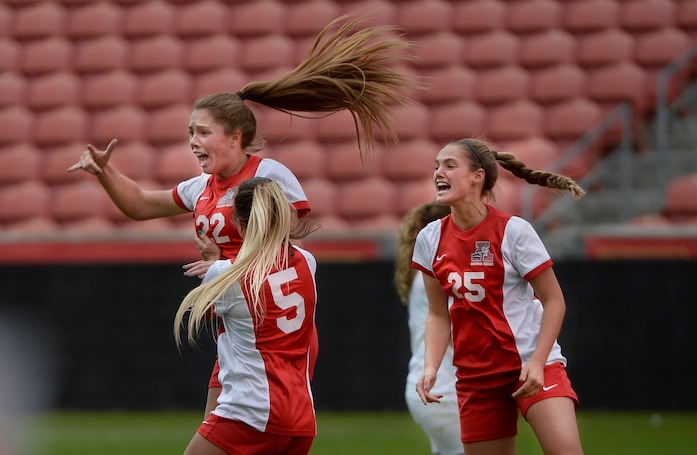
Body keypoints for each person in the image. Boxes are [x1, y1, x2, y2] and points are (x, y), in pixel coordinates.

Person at [67, 13, 417, 417]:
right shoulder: (201, 185)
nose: (193, 142)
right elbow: (141, 205)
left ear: (236, 137)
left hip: (269, 324)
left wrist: (225, 264)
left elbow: (287, 243)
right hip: (234, 324)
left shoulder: (268, 176)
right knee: (238, 431)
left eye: (202, 132)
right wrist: (105, 172)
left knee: (237, 427)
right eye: (189, 133)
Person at [413, 138, 586, 455]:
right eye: (436, 165)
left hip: (531, 365)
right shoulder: (429, 238)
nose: (439, 172)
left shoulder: (514, 231)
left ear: (478, 176)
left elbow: (554, 301)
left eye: (450, 165)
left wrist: (536, 362)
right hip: (477, 377)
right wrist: (431, 367)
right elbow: (438, 314)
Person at [174, 177, 320, 455]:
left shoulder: (229, 275)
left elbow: (205, 314)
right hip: (301, 418)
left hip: (250, 412)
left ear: (240, 225)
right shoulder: (307, 261)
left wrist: (216, 261)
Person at [394, 202, 462, 455]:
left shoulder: (424, 278)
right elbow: (458, 335)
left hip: (435, 391)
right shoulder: (436, 280)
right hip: (444, 394)